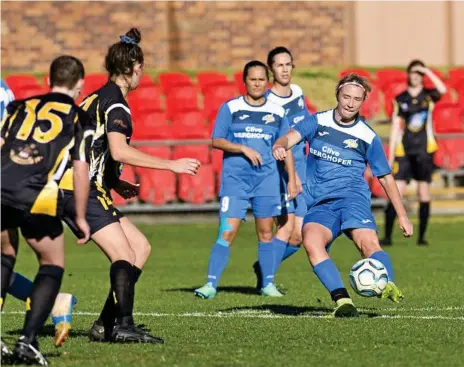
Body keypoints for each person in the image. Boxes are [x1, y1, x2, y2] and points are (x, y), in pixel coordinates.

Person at [58, 28, 200, 343]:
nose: (142, 75)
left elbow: (93, 147)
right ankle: (123, 325)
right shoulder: (116, 104)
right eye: (141, 69)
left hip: (83, 185)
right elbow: (119, 150)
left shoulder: (99, 95)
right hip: (79, 189)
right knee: (124, 254)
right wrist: (171, 164)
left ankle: (105, 324)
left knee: (140, 248)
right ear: (133, 69)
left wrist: (114, 181)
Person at [272, 73, 413, 317]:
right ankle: (342, 301)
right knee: (311, 241)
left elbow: (385, 177)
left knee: (367, 243)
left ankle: (386, 282)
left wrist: (402, 215)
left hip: (353, 199)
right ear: (337, 94)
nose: (350, 103)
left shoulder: (367, 136)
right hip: (321, 203)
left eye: (356, 99)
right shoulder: (317, 121)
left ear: (363, 101)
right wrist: (279, 145)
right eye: (346, 96)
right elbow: (290, 137)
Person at [1, 55, 92, 365]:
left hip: (1, 187)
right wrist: (79, 216)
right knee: (52, 263)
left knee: (4, 255)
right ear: (80, 84)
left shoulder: (18, 107)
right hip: (38, 195)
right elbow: (81, 169)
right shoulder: (80, 117)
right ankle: (26, 341)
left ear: (48, 80)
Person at [194, 60, 297, 299]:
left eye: (262, 79)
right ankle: (210, 285)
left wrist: (291, 178)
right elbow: (216, 140)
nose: (258, 84)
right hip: (235, 180)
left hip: (267, 179)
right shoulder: (230, 108)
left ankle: (268, 284)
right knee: (227, 231)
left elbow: (286, 145)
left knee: (266, 233)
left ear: (267, 81)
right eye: (253, 79)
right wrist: (242, 148)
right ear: (245, 81)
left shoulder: (278, 112)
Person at [252, 46, 312, 291]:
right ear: (271, 70)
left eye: (288, 64)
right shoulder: (269, 103)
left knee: (298, 236)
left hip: (304, 170)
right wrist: (292, 177)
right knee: (287, 230)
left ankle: (263, 267)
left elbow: (307, 126)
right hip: (281, 175)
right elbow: (277, 144)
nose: (285, 69)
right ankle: (267, 277)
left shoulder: (297, 92)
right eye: (279, 65)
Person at [381, 60, 447, 246]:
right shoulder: (401, 99)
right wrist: (391, 154)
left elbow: (443, 90)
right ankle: (387, 236)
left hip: (425, 150)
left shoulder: (429, 96)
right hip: (405, 150)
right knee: (396, 192)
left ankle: (421, 237)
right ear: (408, 75)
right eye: (413, 72)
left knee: (423, 193)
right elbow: (395, 126)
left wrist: (428, 70)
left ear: (422, 76)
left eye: (419, 73)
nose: (415, 76)